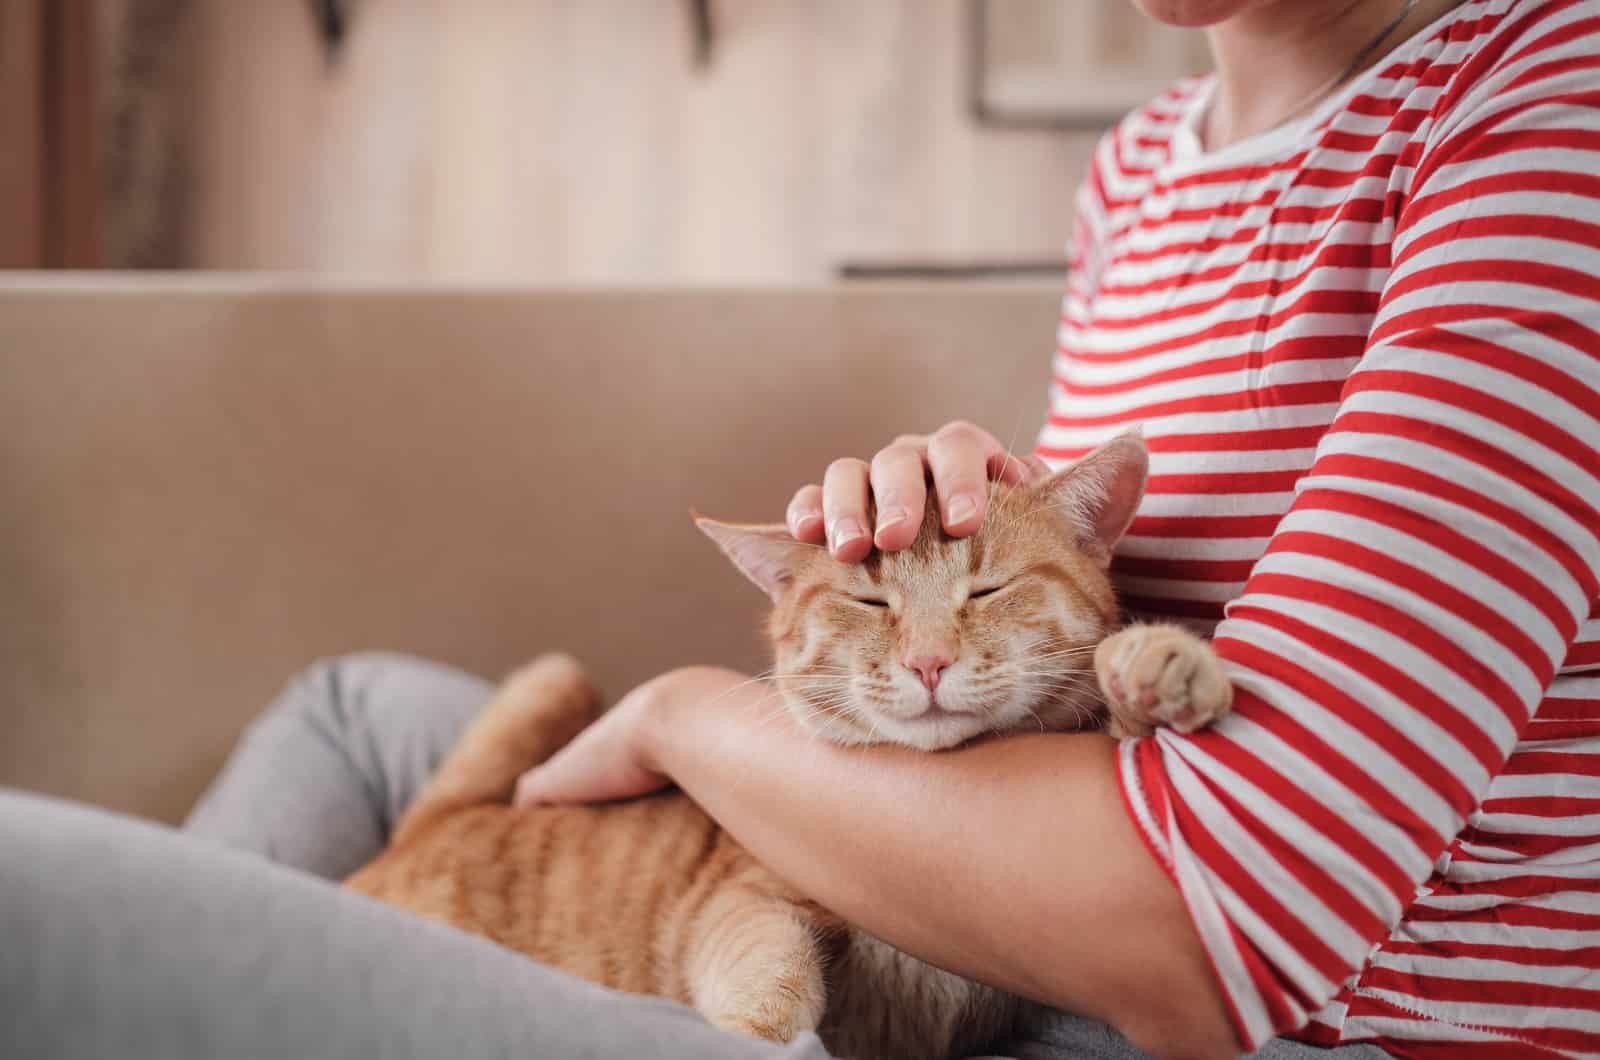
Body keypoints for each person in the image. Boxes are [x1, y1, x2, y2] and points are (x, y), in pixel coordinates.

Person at [2, 1, 1594, 1058]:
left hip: (1183, 1009)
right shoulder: (1138, 174)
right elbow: (1108, 594)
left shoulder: (1549, 106)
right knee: (353, 715)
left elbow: (1217, 928)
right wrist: (972, 510)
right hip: (1001, 821)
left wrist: (695, 721)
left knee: (42, 904)